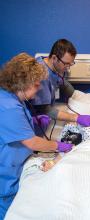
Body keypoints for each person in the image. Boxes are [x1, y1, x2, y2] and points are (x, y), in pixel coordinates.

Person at [0, 53, 74, 219]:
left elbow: (14, 127)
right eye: (36, 83)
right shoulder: (9, 106)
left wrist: (33, 120)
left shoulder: (14, 99)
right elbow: (33, 143)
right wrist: (59, 146)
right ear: (22, 84)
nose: (40, 87)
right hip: (5, 175)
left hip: (17, 166)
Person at [29, 39, 90, 136]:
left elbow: (61, 81)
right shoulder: (41, 75)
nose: (68, 68)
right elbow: (45, 110)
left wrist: (77, 96)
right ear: (54, 58)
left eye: (71, 63)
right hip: (35, 123)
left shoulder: (53, 66)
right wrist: (76, 118)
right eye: (66, 64)